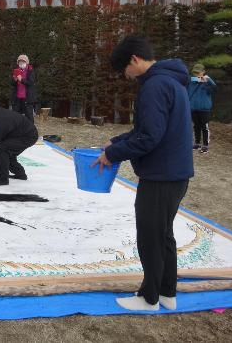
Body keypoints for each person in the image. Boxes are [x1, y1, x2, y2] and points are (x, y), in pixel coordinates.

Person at [92, 35, 194, 312]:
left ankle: (148, 298)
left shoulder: (154, 86)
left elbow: (149, 137)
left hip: (161, 175)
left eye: (124, 70)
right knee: (164, 235)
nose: (125, 76)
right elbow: (149, 130)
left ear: (134, 60)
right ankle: (167, 293)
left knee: (150, 236)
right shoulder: (171, 81)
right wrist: (118, 140)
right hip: (176, 175)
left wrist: (110, 155)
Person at [188, 63, 217, 154]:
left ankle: (205, 145)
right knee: (196, 126)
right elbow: (189, 81)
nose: (196, 74)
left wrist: (207, 79)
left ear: (203, 72)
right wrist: (200, 78)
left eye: (198, 72)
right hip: (193, 107)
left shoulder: (208, 81)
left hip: (204, 108)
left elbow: (215, 88)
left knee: (205, 127)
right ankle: (197, 143)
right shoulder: (191, 80)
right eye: (195, 73)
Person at [10, 54, 35, 123]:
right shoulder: (16, 70)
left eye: (23, 62)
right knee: (15, 115)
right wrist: (14, 80)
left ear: (26, 62)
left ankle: (30, 131)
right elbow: (12, 83)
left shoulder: (30, 70)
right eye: (20, 62)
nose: (21, 64)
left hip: (27, 98)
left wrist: (21, 80)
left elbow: (31, 82)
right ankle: (15, 130)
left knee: (29, 116)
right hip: (17, 97)